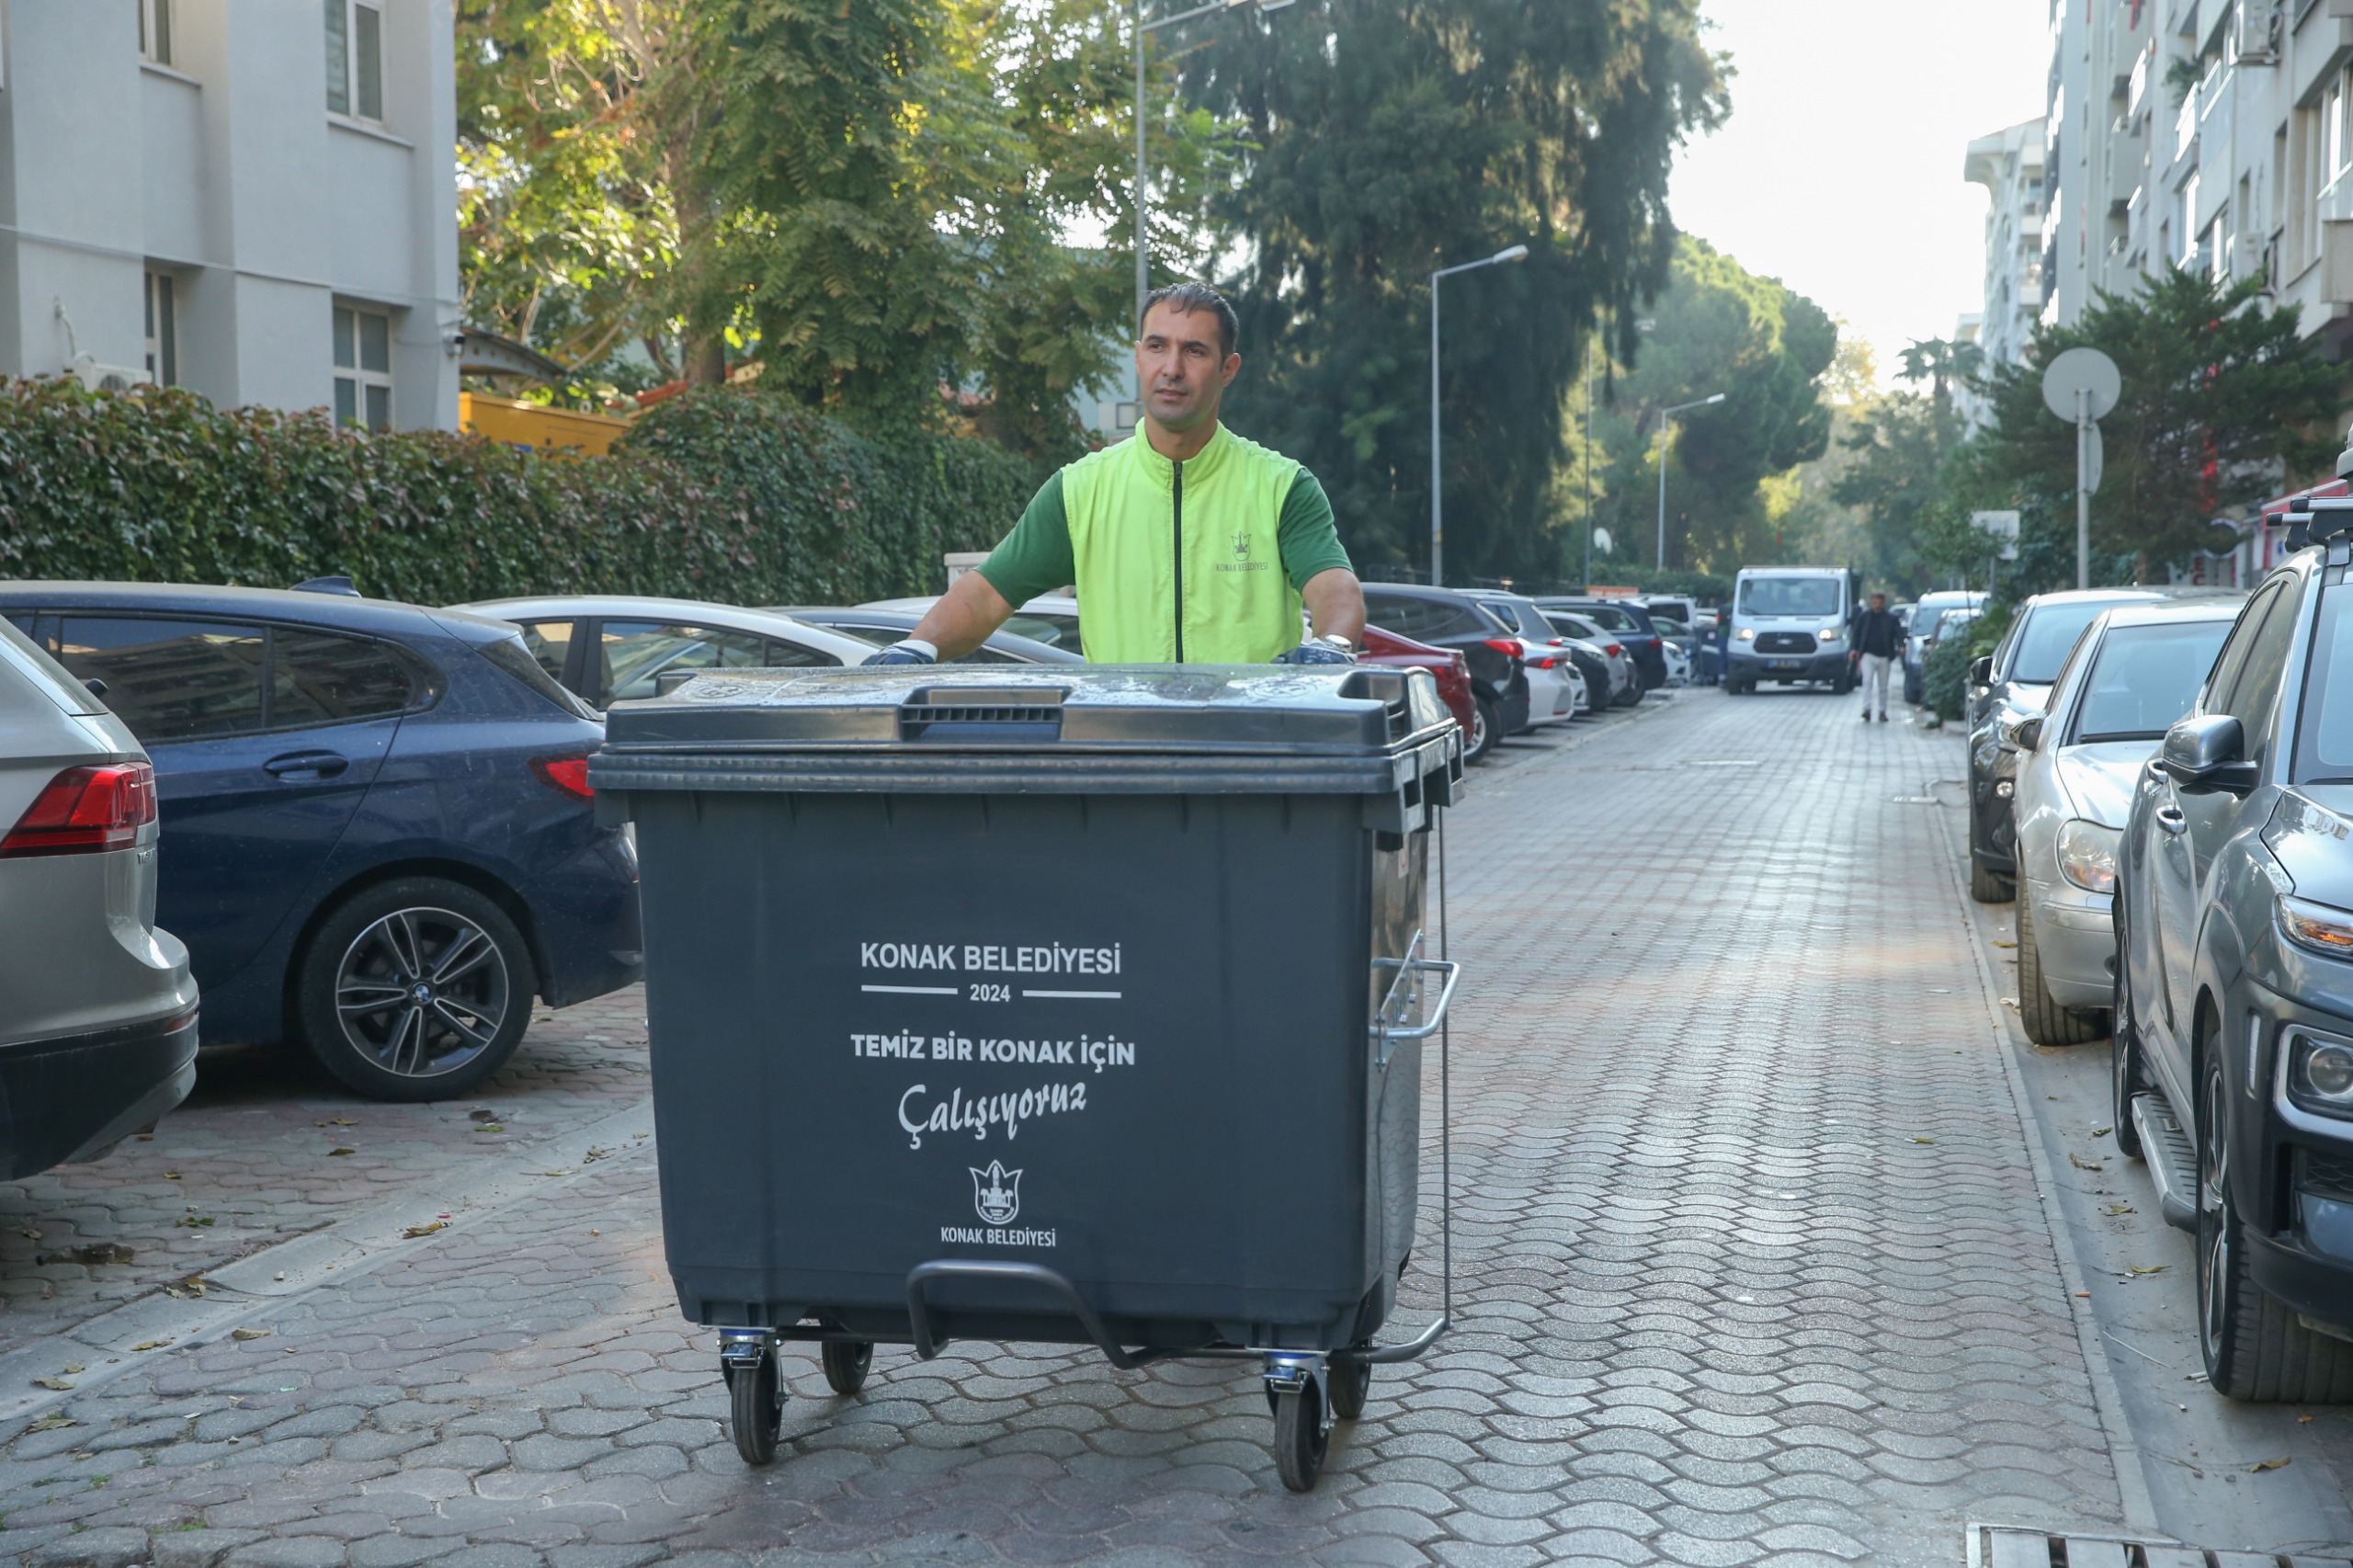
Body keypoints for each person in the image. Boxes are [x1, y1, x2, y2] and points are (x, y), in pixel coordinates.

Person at [874, 282, 1366, 667]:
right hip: (1124, 758)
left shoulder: (1282, 486)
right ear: (1137, 356)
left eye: (1194, 351)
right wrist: (916, 648)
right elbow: (984, 595)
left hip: (1248, 759)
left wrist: (1333, 644)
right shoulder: (1079, 490)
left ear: (1228, 368)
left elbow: (1334, 586)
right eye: (1157, 346)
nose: (1171, 367)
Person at [1849, 590, 1904, 722]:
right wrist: (1853, 650)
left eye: (1879, 603)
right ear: (1871, 602)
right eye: (1874, 603)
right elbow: (1856, 634)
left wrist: (1901, 646)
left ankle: (1882, 711)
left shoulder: (1891, 618)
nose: (1877, 605)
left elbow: (1899, 633)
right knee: (1867, 681)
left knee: (1883, 686)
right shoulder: (1864, 617)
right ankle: (1867, 709)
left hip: (1885, 655)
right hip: (1867, 654)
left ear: (1883, 603)